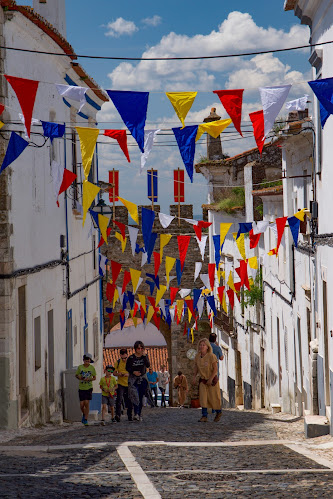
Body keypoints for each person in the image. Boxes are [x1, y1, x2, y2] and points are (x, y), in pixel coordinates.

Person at [192, 338, 222, 423]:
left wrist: (211, 378)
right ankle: (204, 416)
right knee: (203, 398)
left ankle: (218, 412)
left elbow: (215, 369)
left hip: (212, 381)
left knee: (214, 398)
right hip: (203, 380)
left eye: (203, 345)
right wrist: (194, 377)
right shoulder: (197, 356)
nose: (201, 347)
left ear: (207, 347)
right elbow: (196, 367)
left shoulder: (212, 356)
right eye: (200, 345)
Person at [126, 341, 152, 421]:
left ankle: (138, 414)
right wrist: (133, 372)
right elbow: (127, 368)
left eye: (141, 348)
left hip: (142, 378)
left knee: (141, 396)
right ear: (135, 349)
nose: (140, 350)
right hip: (133, 379)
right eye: (138, 348)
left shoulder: (144, 356)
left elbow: (148, 365)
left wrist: (145, 357)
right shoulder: (131, 358)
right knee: (134, 395)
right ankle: (136, 413)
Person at [75, 353, 96, 426]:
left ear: (90, 361)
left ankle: (86, 419)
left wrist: (89, 379)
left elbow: (94, 378)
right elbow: (76, 375)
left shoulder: (92, 368)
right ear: (83, 360)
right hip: (81, 387)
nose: (87, 361)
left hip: (89, 387)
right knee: (81, 404)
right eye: (85, 360)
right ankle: (84, 414)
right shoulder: (80, 367)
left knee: (87, 402)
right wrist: (80, 377)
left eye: (88, 360)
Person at [113, 348, 133, 422]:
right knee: (119, 399)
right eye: (123, 358)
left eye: (125, 358)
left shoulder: (130, 363)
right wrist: (119, 374)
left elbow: (134, 372)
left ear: (127, 355)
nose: (124, 359)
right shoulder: (118, 362)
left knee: (129, 400)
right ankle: (118, 415)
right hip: (120, 383)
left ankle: (130, 415)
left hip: (129, 383)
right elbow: (114, 373)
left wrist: (128, 374)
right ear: (120, 356)